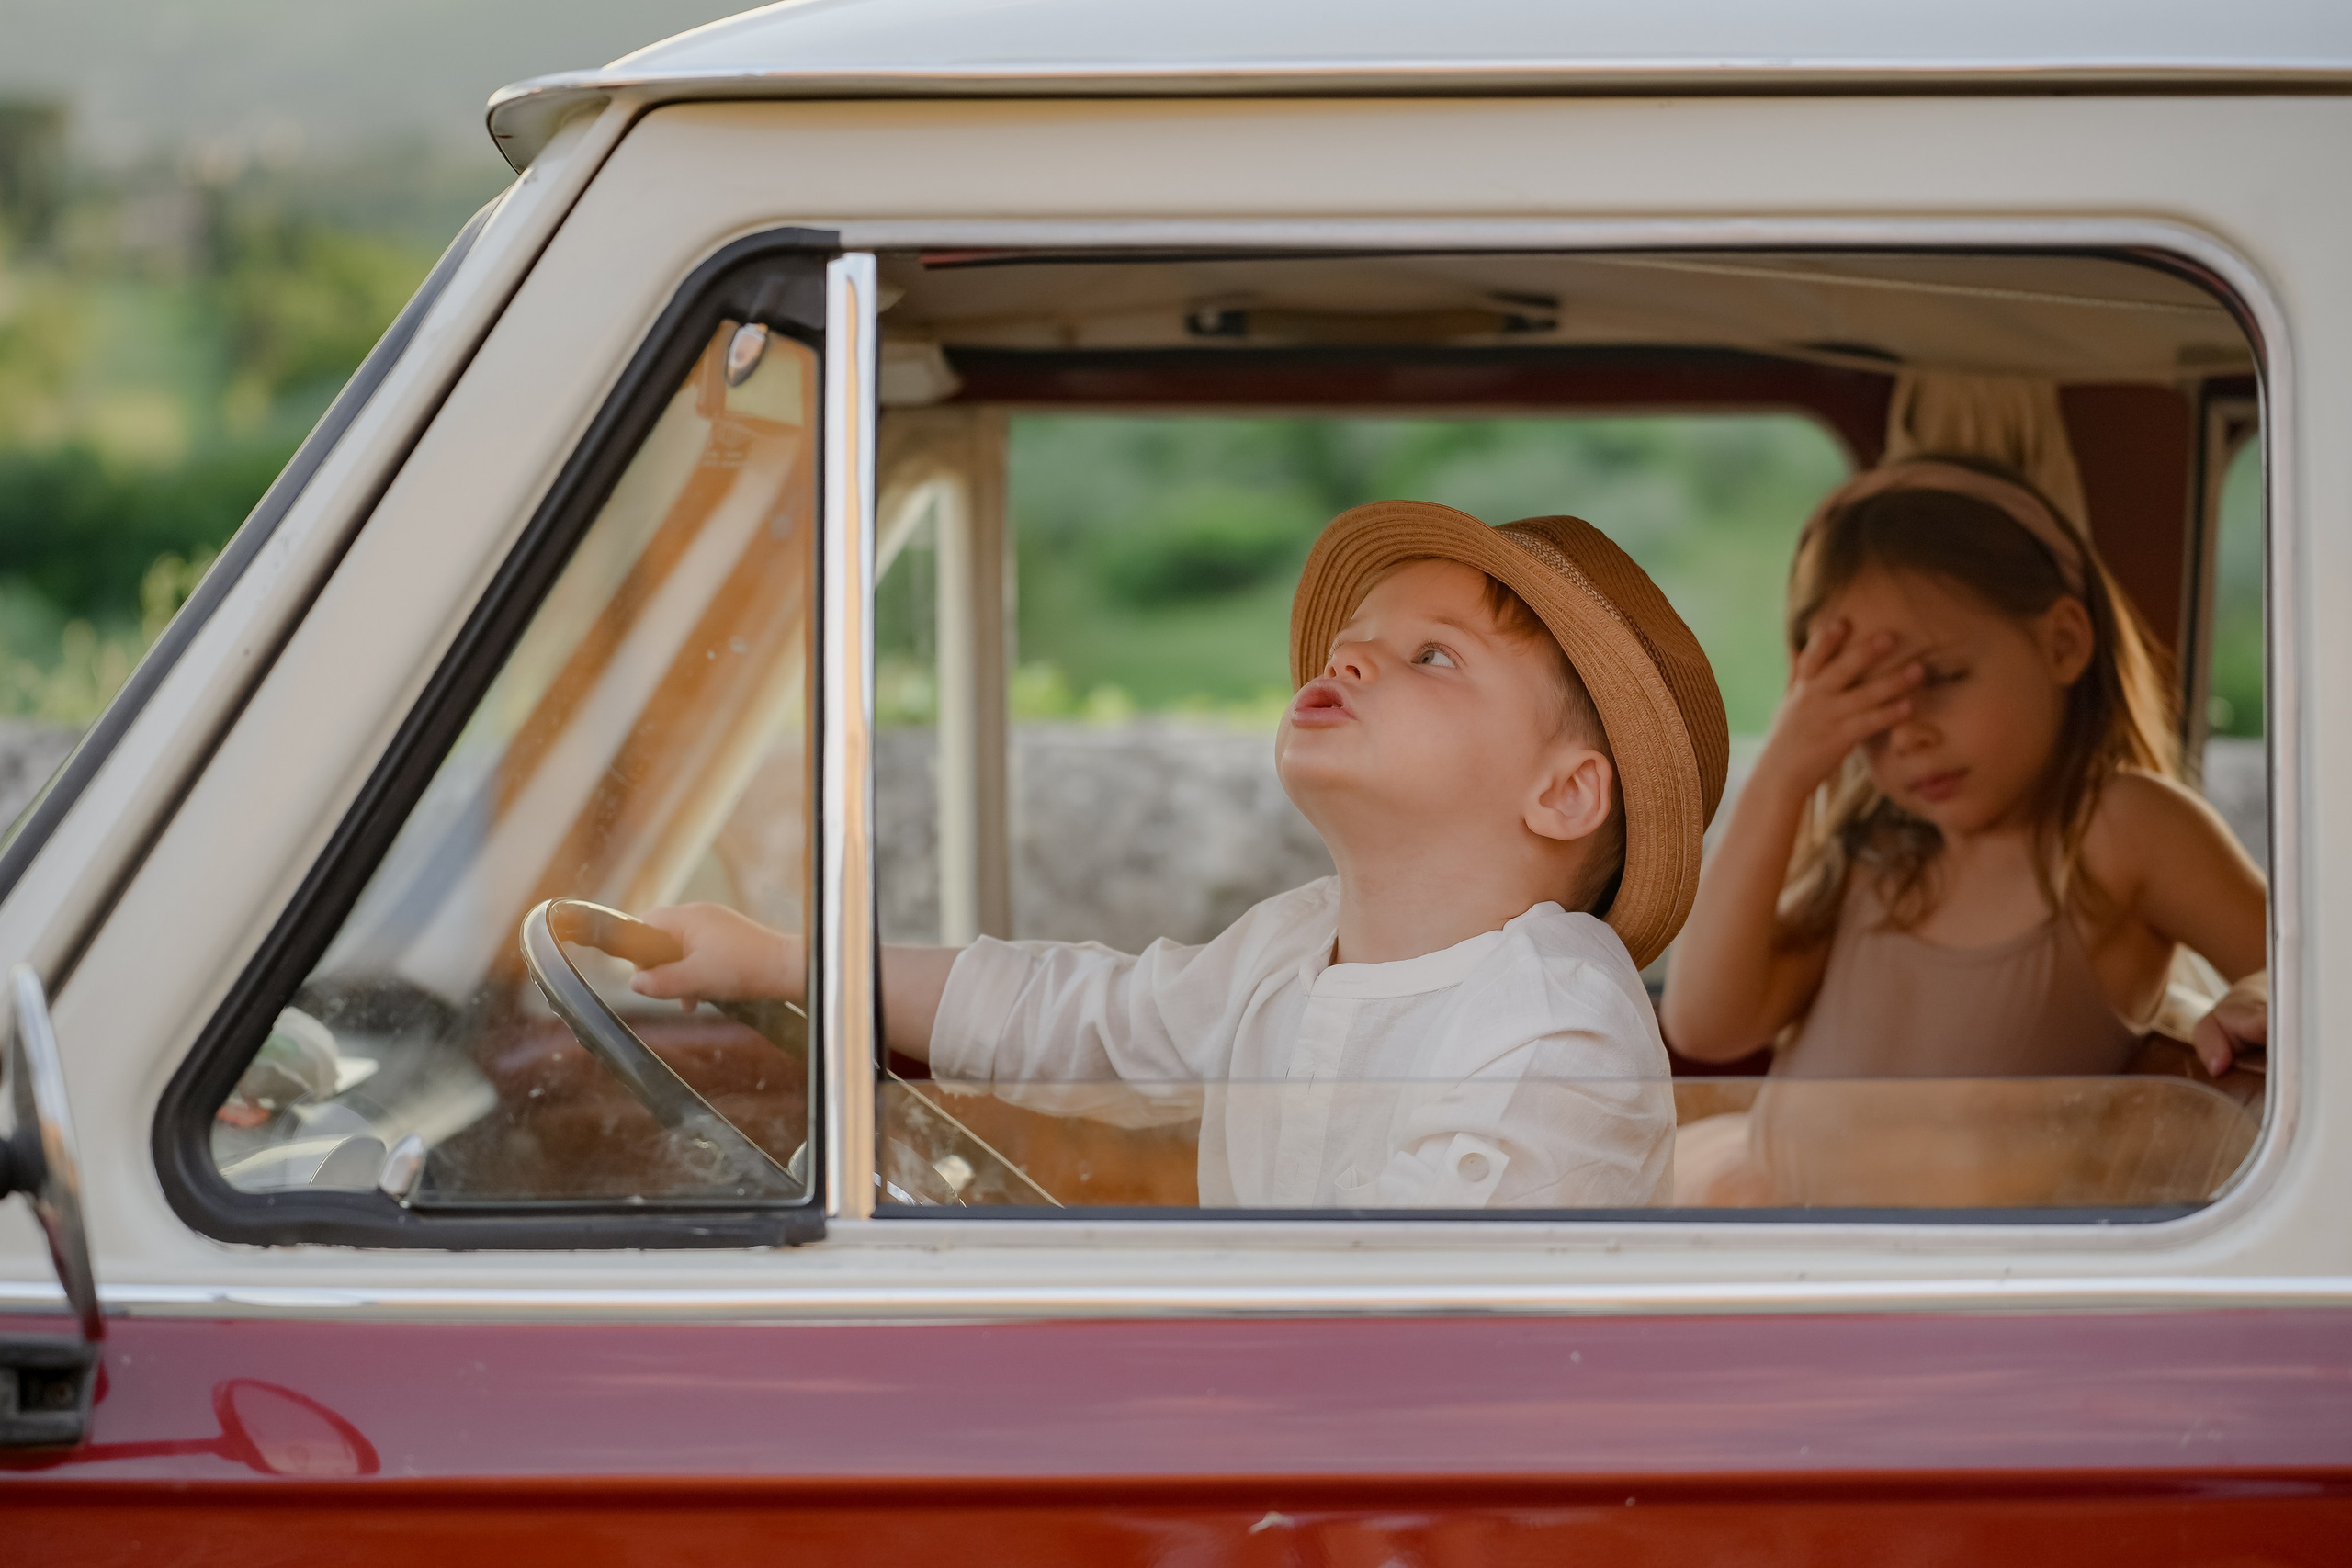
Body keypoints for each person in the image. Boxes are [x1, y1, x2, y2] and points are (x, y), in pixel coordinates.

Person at [631, 501, 1727, 1209]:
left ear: (1564, 792)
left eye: (1430, 655)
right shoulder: (1294, 945)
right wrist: (783, 962)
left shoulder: (1553, 1026)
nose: (1350, 658)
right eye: (1353, 641)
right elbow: (1080, 1021)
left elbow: (1405, 1323)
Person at [1662, 458, 2267, 1112]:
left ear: (2062, 643)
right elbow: (1704, 1024)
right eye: (1866, 702)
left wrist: (2261, 996)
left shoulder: (2120, 828)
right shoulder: (1872, 858)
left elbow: (2305, 973)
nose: (1907, 733)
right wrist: (1783, 775)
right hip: (1784, 1208)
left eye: (1942, 677)